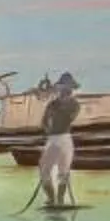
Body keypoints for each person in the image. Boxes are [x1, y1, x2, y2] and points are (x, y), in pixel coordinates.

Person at [39, 72, 83, 210]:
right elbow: (44, 121)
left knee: (63, 172)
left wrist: (59, 107)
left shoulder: (75, 104)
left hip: (65, 138)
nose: (65, 90)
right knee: (44, 171)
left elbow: (68, 118)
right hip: (52, 139)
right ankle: (51, 199)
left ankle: (60, 200)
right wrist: (48, 129)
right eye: (63, 87)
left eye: (68, 88)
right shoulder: (52, 104)